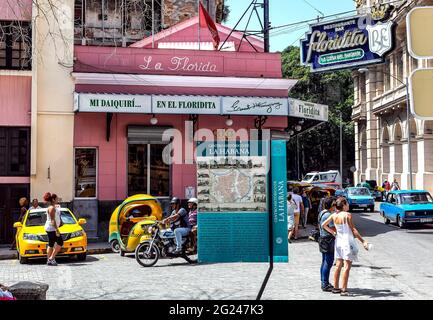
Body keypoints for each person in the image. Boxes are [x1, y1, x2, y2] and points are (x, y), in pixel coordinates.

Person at [322, 197, 369, 296]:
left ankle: (336, 287)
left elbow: (323, 225)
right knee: (346, 266)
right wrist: (363, 241)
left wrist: (333, 232)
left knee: (338, 264)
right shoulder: (347, 215)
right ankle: (344, 289)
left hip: (338, 241)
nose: (348, 205)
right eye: (347, 203)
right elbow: (354, 230)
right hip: (347, 242)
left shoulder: (334, 215)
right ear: (343, 205)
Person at [318, 197, 337, 292]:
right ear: (330, 205)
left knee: (324, 261)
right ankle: (325, 284)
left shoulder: (322, 212)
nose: (335, 207)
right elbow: (333, 229)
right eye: (334, 205)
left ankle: (323, 281)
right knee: (328, 262)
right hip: (328, 240)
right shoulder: (329, 215)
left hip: (322, 239)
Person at [44, 192, 64, 266]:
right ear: (53, 199)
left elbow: (56, 217)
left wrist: (60, 222)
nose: (57, 199)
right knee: (60, 242)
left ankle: (49, 260)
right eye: (56, 198)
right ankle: (51, 258)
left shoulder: (54, 207)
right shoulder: (51, 208)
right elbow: (52, 220)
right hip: (52, 228)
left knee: (51, 243)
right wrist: (57, 229)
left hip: (52, 228)